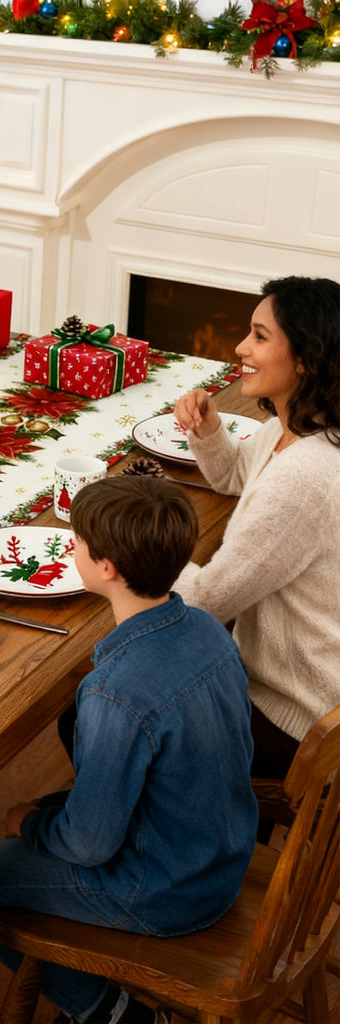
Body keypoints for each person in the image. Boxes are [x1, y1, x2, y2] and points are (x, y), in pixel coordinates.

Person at [0, 476, 258, 1024]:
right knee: (66, 766)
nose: (70, 546)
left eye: (76, 540)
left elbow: (89, 845)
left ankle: (108, 1010)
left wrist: (30, 823)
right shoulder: (206, 628)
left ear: (106, 568)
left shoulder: (115, 693)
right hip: (220, 857)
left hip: (161, 891)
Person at [173, 275, 340, 780]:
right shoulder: (299, 431)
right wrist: (208, 429)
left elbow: (201, 604)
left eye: (260, 336)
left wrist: (134, 549)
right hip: (297, 696)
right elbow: (235, 474)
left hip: (297, 723)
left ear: (307, 359)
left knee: (89, 713)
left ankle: (154, 842)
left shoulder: (307, 477)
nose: (242, 347)